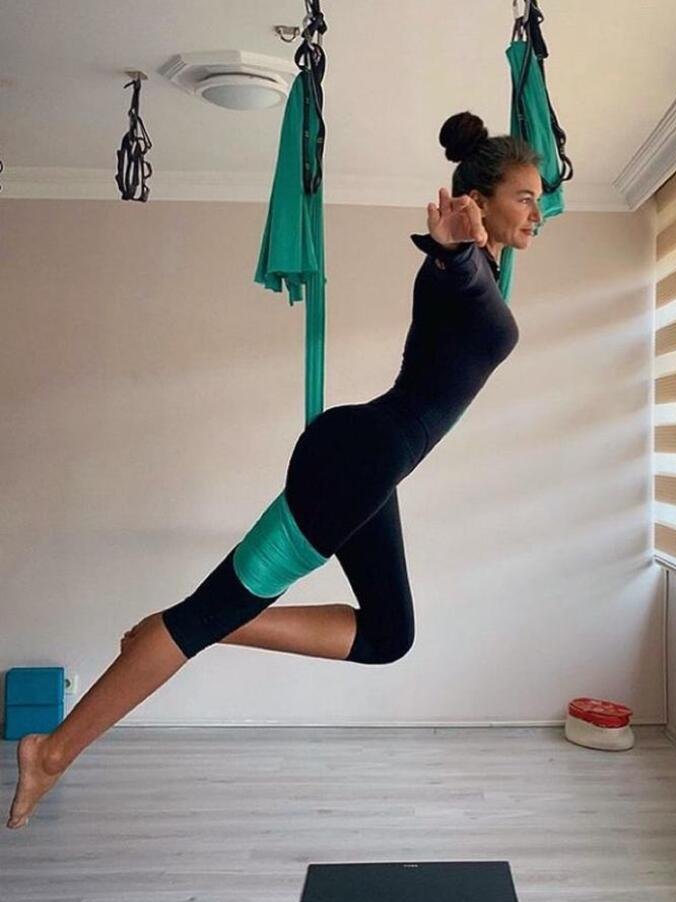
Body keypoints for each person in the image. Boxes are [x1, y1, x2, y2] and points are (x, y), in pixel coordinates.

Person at [6, 111, 542, 829]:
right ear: (480, 200)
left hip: (367, 464)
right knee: (203, 614)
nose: (538, 211)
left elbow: (476, 284)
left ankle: (211, 624)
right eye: (525, 197)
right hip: (354, 461)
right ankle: (51, 752)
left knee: (390, 636)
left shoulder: (490, 272)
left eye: (539, 198)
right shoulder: (463, 268)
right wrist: (453, 248)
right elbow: (457, 275)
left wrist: (474, 253)